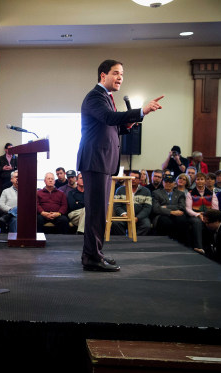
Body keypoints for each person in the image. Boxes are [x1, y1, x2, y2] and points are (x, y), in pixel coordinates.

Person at [77, 59, 163, 271]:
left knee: (100, 212)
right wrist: (141, 111)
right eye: (115, 73)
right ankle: (91, 258)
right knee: (96, 212)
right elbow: (108, 118)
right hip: (95, 161)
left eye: (122, 74)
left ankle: (95, 253)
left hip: (103, 162)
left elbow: (112, 128)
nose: (120, 78)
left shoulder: (107, 97)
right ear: (102, 75)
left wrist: (128, 123)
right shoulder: (95, 97)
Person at [111, 170, 152, 236]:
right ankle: (124, 240)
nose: (133, 180)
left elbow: (147, 208)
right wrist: (124, 215)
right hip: (124, 216)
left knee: (146, 225)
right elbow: (117, 205)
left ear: (139, 180)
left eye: (136, 178)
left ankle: (135, 241)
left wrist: (137, 218)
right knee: (116, 223)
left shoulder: (146, 191)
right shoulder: (120, 190)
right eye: (131, 177)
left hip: (139, 217)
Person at [186, 172, 218, 254]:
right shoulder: (190, 193)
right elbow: (188, 209)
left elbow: (215, 208)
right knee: (197, 222)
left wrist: (208, 216)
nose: (200, 181)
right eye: (198, 179)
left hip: (209, 215)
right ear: (195, 181)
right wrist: (198, 214)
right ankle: (198, 247)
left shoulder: (211, 193)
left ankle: (215, 247)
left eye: (202, 179)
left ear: (205, 181)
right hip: (194, 216)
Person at [151, 174, 189, 242]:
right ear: (162, 182)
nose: (168, 184)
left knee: (182, 219)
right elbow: (156, 209)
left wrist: (166, 206)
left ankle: (182, 244)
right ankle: (166, 243)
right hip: (162, 215)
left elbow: (181, 207)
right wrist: (172, 212)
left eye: (170, 182)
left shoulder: (180, 194)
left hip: (177, 214)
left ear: (174, 183)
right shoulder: (156, 193)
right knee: (165, 221)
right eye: (166, 182)